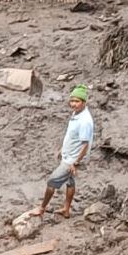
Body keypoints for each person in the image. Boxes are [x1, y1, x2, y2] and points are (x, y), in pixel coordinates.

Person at [31, 85, 94, 219]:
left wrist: (75, 163)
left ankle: (42, 209)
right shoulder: (76, 114)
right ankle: (66, 209)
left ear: (84, 102)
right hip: (69, 154)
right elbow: (72, 136)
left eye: (77, 102)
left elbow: (85, 145)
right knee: (70, 181)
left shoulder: (85, 121)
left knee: (51, 182)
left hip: (73, 159)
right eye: (72, 101)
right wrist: (62, 149)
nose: (73, 104)